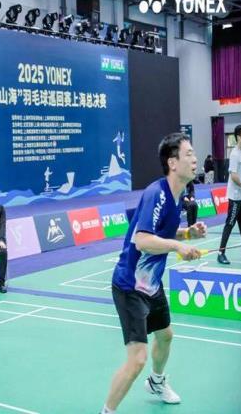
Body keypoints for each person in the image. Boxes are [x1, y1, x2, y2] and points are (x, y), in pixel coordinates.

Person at [100, 133, 207, 414]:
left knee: (166, 335)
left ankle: (156, 382)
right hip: (129, 285)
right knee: (137, 359)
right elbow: (142, 240)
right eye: (189, 154)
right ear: (172, 162)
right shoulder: (156, 193)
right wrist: (178, 246)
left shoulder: (177, 194)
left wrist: (187, 234)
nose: (195, 159)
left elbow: (163, 232)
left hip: (151, 284)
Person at [217, 125, 241, 265]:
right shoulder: (234, 154)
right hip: (235, 197)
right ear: (238, 137)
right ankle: (221, 253)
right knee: (230, 224)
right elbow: (233, 176)